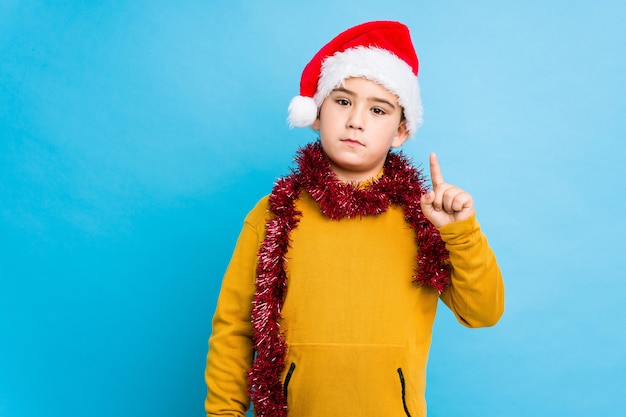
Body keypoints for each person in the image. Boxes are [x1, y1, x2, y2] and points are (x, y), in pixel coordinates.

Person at [204, 20, 504, 417]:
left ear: (400, 131)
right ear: (316, 113)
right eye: (343, 101)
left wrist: (459, 234)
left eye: (377, 109)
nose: (356, 121)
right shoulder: (274, 212)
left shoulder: (426, 216)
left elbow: (482, 312)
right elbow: (234, 329)